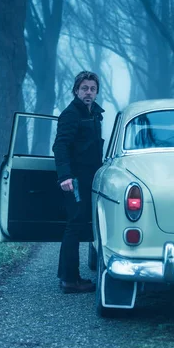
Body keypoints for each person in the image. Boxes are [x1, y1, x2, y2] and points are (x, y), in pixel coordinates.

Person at [53, 71, 104, 293]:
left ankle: (68, 276)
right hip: (74, 178)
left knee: (81, 224)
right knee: (74, 225)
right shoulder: (71, 114)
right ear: (76, 90)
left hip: (90, 176)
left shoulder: (94, 114)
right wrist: (64, 176)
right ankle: (69, 280)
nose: (89, 93)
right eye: (84, 88)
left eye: (92, 89)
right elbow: (60, 146)